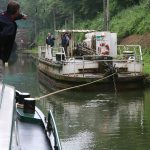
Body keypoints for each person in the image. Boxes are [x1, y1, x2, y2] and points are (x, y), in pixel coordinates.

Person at [0, 1, 27, 81]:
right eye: (18, 11)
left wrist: (21, 16)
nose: (19, 12)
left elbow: (11, 16)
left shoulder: (2, 15)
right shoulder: (10, 26)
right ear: (16, 12)